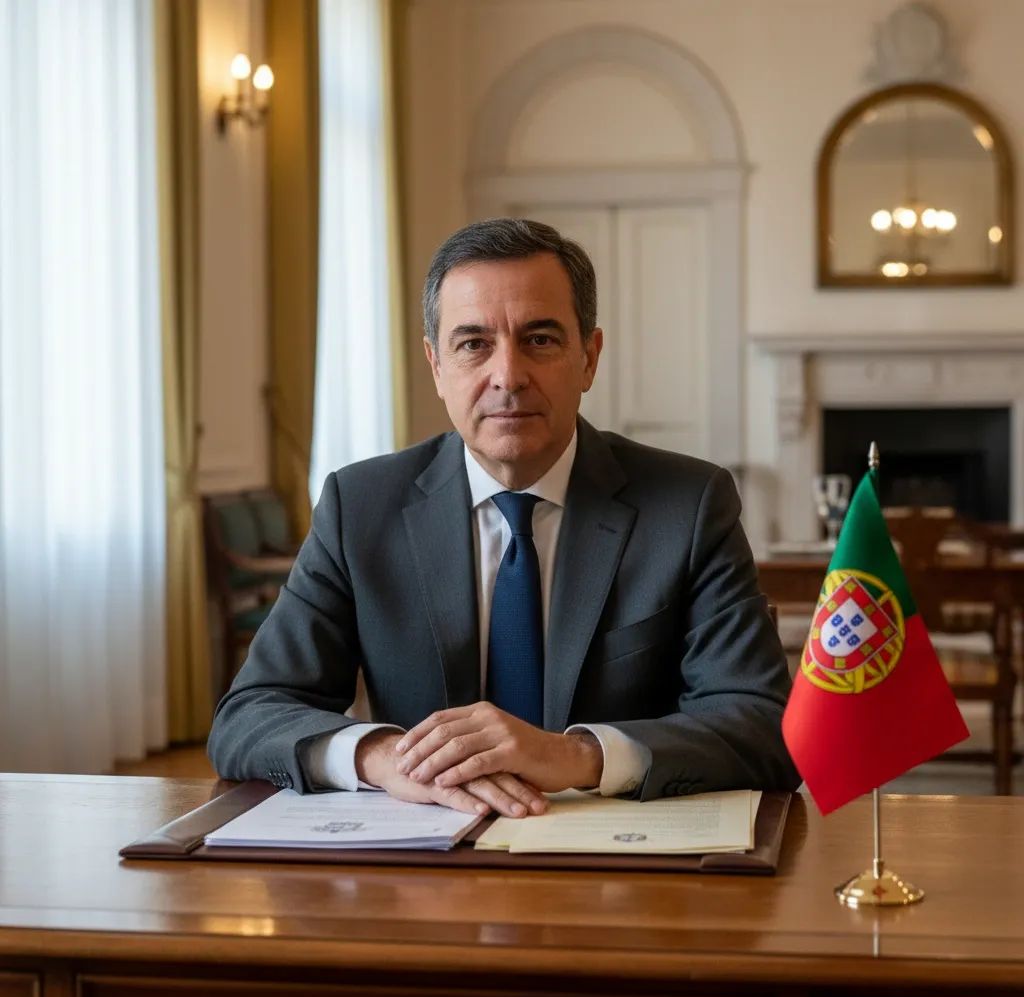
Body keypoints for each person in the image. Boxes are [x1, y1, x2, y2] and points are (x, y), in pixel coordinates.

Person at [207, 218, 799, 819]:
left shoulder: (688, 505)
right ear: (437, 366)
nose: (508, 376)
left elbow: (762, 724)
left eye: (540, 340)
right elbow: (249, 716)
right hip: (426, 868)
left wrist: (576, 755)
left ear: (589, 358)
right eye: (473, 344)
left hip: (618, 866)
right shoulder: (359, 506)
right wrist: (388, 758)